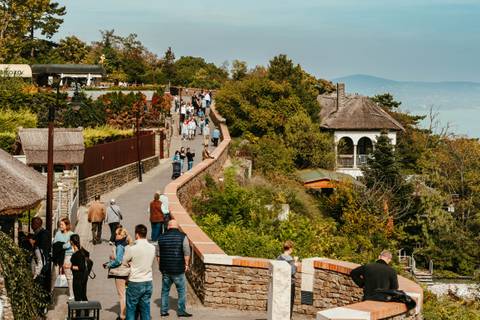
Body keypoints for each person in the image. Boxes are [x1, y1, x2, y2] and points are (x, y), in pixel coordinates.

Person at [157, 220, 192, 317]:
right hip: (178, 269)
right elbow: (186, 252)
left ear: (168, 226)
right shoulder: (183, 236)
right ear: (177, 226)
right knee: (181, 290)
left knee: (165, 290)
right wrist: (186, 264)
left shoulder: (161, 237)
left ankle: (164, 311)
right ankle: (181, 311)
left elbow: (158, 255)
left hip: (165, 269)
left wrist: (160, 267)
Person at [123, 224, 155, 320]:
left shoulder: (132, 248)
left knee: (131, 309)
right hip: (148, 281)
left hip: (135, 281)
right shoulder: (152, 247)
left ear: (137, 234)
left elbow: (124, 262)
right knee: (145, 309)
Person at [104, 227, 132, 320]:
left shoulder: (119, 246)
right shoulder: (128, 245)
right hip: (127, 272)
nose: (115, 236)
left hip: (120, 273)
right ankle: (130, 313)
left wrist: (108, 264)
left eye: (117, 234)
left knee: (122, 295)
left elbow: (118, 261)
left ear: (121, 235)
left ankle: (123, 316)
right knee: (128, 294)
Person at [53, 217, 74, 300]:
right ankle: (51, 291)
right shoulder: (58, 233)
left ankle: (71, 293)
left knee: (68, 275)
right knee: (54, 274)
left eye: (62, 224)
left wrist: (61, 246)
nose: (60, 226)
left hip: (68, 256)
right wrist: (64, 245)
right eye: (60, 224)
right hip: (58, 257)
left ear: (67, 225)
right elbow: (55, 245)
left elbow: (70, 245)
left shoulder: (72, 234)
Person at [277, 240, 298, 319]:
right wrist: (295, 263)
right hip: (290, 283)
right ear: (290, 248)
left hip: (281, 283)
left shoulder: (279, 257)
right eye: (292, 248)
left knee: (281, 301)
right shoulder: (290, 259)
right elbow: (292, 272)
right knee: (289, 302)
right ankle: (288, 317)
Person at [70, 234, 89, 302]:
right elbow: (88, 254)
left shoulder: (77, 254)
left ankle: (79, 312)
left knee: (78, 296)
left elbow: (81, 267)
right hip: (84, 276)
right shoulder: (81, 250)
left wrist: (70, 266)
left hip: (78, 277)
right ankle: (86, 311)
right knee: (83, 295)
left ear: (71, 242)